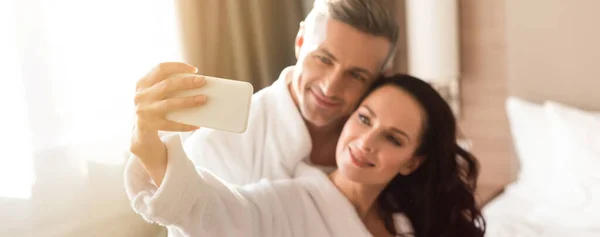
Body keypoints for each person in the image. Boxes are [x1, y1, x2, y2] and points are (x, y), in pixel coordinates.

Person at [126, 74, 487, 237]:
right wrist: (149, 145)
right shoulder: (290, 203)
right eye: (364, 119)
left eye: (392, 138)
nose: (365, 141)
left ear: (413, 161)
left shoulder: (405, 219)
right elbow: (214, 212)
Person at [129, 0, 399, 187]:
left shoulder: (383, 152)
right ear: (301, 41)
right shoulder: (221, 143)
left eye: (356, 75)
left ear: (377, 79)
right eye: (324, 59)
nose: (330, 87)